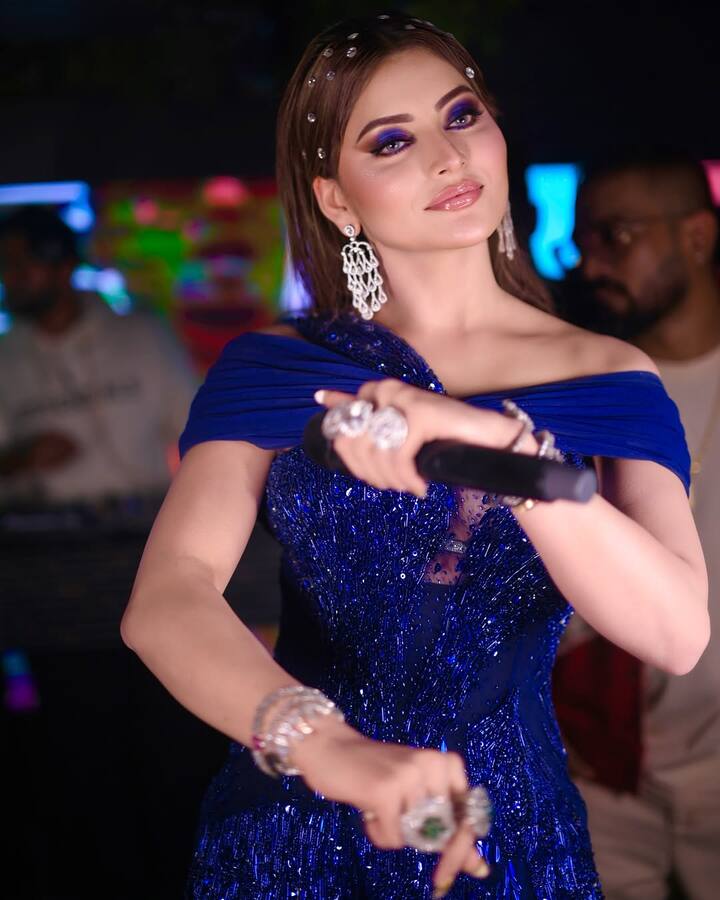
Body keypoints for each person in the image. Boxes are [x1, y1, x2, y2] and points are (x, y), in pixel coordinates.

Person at [121, 16, 709, 899]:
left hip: (509, 834)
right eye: (393, 141)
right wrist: (328, 748)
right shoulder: (279, 370)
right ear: (337, 200)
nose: (448, 156)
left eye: (462, 116)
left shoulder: (607, 376)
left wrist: (502, 448)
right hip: (294, 826)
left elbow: (675, 632)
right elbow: (167, 600)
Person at [553, 152, 720, 899]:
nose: (593, 265)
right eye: (583, 243)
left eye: (616, 236)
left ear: (696, 237)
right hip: (602, 759)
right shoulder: (577, 384)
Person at [0, 206, 198, 505]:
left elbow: (197, 430)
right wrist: (22, 458)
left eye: (21, 265)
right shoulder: (5, 356)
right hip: (40, 526)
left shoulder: (142, 335)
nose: (10, 278)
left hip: (148, 516)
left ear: (64, 267)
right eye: (5, 266)